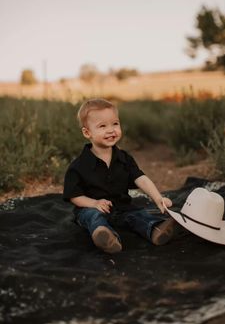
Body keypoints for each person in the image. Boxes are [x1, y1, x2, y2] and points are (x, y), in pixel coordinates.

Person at [63, 98, 175, 254]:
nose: (111, 130)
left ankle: (155, 230)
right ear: (87, 132)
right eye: (102, 126)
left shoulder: (124, 158)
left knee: (138, 215)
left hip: (123, 208)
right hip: (93, 208)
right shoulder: (79, 166)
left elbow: (140, 178)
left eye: (115, 124)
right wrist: (94, 203)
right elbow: (74, 195)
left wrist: (158, 198)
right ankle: (106, 237)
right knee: (92, 217)